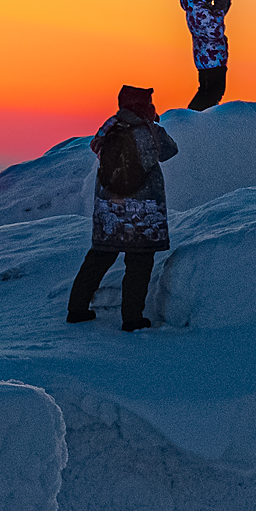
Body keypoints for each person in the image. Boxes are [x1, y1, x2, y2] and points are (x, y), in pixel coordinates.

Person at [67, 85, 180, 332]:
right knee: (139, 263)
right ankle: (132, 319)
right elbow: (170, 151)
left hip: (110, 208)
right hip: (143, 209)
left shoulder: (109, 127)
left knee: (99, 257)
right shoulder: (150, 130)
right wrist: (153, 122)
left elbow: (95, 147)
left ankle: (76, 309)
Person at [180, 0, 233, 110]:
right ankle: (192, 120)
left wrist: (224, 1)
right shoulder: (199, 9)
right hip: (211, 58)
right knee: (211, 93)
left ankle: (194, 119)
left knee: (208, 92)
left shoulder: (197, 6)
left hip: (208, 56)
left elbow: (215, 18)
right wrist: (221, 4)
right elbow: (215, 29)